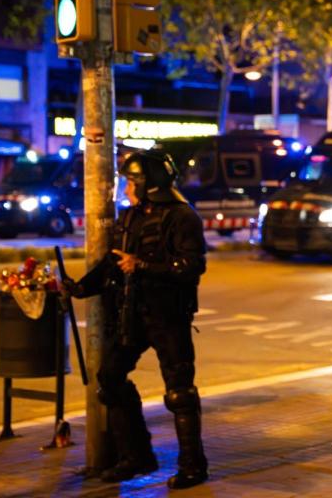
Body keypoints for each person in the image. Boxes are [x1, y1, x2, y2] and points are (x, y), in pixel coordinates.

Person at [63, 151, 208, 489]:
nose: (127, 188)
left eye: (132, 181)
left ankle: (193, 467)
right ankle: (136, 456)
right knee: (110, 379)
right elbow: (113, 263)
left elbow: (191, 266)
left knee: (180, 393)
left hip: (168, 316)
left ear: (149, 184)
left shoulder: (182, 217)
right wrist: (79, 288)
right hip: (131, 314)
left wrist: (142, 265)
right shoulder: (129, 217)